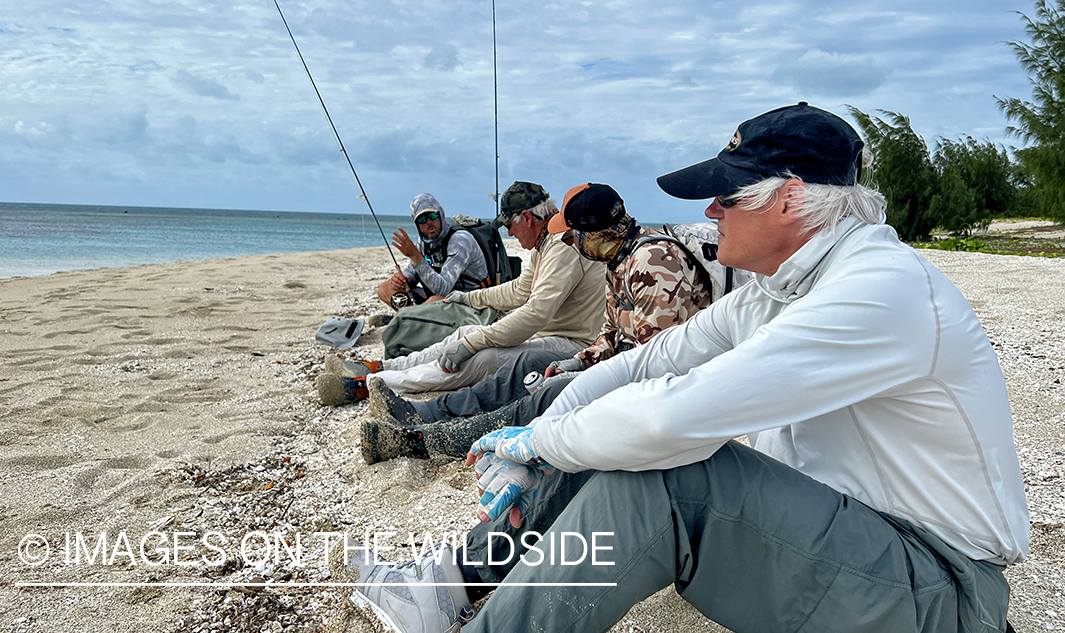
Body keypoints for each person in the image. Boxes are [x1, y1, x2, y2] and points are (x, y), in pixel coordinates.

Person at [352, 103, 1030, 633]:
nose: (707, 212)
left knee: (663, 472)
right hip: (865, 546)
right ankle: (447, 585)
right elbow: (651, 361)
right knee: (607, 429)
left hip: (939, 589)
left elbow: (674, 411)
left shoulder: (879, 289)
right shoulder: (783, 287)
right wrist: (553, 428)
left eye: (727, 196)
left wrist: (536, 443)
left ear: (790, 198)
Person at [360, 182, 713, 464]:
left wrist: (579, 375)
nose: (570, 243)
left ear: (596, 233)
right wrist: (580, 361)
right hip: (615, 365)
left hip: (652, 394)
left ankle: (421, 439)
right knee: (531, 380)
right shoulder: (618, 258)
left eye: (574, 235)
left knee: (537, 394)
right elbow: (611, 334)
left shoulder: (652, 262)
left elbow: (653, 361)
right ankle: (420, 412)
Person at [318, 181, 605, 406]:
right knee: (464, 334)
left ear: (527, 218)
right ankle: (382, 367)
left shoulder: (561, 246)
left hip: (572, 344)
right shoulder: (545, 245)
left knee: (482, 357)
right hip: (549, 335)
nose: (509, 234)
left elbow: (536, 313)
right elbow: (519, 290)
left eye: (509, 225)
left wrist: (475, 343)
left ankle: (372, 384)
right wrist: (466, 298)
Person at [376, 193, 490, 308]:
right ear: (417, 225)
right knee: (385, 288)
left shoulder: (460, 240)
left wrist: (415, 255)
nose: (429, 222)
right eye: (422, 219)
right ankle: (413, 316)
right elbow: (412, 274)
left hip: (468, 302)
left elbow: (442, 290)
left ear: (441, 214)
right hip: (435, 300)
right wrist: (401, 280)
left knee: (435, 300)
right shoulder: (423, 243)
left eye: (433, 215)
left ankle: (410, 317)